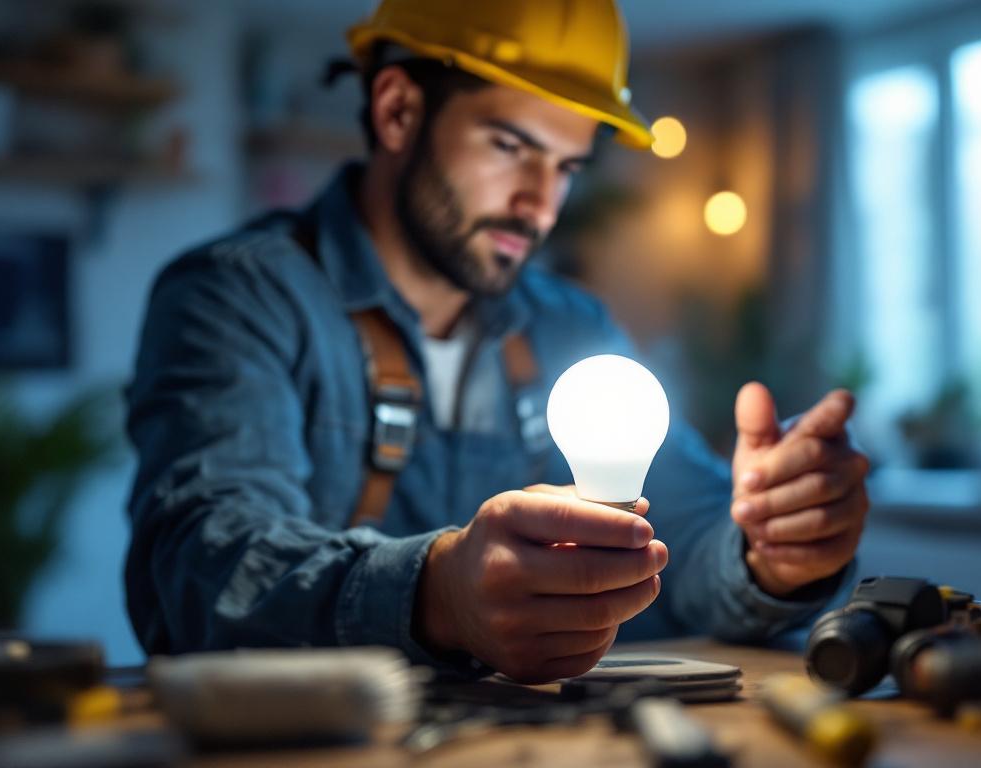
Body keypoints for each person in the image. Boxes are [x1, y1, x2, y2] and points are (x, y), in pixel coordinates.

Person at [124, 0, 869, 684]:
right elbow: (199, 569)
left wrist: (771, 553)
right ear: (397, 110)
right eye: (512, 146)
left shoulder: (572, 328)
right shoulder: (238, 297)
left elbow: (694, 537)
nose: (541, 203)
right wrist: (439, 595)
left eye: (567, 167)